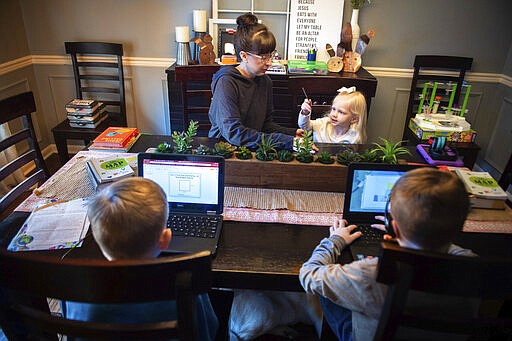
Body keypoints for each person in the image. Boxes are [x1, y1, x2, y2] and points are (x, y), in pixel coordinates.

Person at [299, 168, 478, 340]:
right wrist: (415, 230)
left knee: (326, 293)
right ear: (461, 227)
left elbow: (308, 274)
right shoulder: (472, 265)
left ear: (394, 227)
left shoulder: (371, 273)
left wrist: (335, 240)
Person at [62, 177, 218, 341]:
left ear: (95, 235)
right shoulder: (185, 284)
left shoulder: (72, 283)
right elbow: (207, 331)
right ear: (165, 239)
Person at [208, 12, 303, 150]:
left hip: (252, 149)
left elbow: (265, 125)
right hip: (225, 151)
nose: (269, 62)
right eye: (263, 57)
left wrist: (291, 134)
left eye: (271, 55)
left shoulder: (265, 82)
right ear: (244, 56)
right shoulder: (227, 82)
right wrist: (287, 141)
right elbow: (234, 133)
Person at [298, 87, 367, 143]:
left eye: (341, 112)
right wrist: (305, 112)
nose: (334, 114)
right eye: (333, 109)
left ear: (354, 119)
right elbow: (304, 126)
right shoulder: (323, 124)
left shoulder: (354, 137)